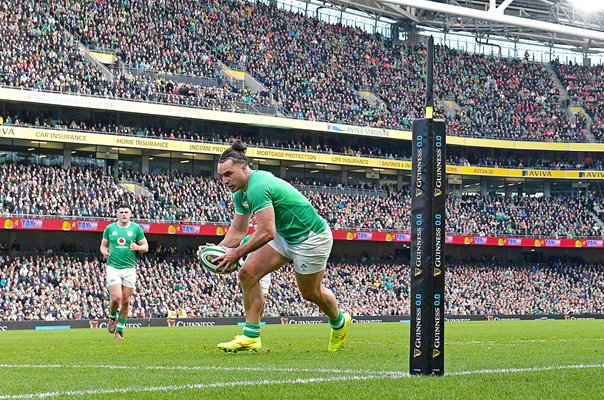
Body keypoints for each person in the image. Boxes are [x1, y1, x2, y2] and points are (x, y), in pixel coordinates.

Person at [199, 140, 350, 352]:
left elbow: (266, 232)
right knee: (247, 273)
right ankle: (251, 336)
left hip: (310, 238)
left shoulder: (258, 187)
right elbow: (238, 232)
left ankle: (339, 323)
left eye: (228, 174)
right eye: (222, 176)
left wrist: (236, 253)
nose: (225, 180)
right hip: (284, 236)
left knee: (311, 293)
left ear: (244, 168)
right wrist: (217, 250)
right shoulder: (240, 194)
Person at [100, 203, 148, 339]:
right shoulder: (110, 228)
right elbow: (103, 246)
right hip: (113, 267)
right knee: (116, 297)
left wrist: (137, 247)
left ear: (130, 214)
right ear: (117, 214)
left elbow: (145, 247)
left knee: (126, 301)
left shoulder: (136, 228)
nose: (124, 214)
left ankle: (119, 331)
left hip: (129, 269)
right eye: (121, 212)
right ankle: (112, 317)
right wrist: (105, 252)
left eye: (126, 212)